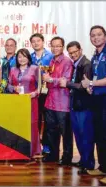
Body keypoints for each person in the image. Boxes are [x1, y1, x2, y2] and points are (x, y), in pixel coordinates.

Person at [81, 25, 106, 185]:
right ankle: (103, 167)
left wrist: (91, 82)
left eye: (99, 35)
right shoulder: (96, 55)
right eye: (93, 35)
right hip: (96, 99)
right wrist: (92, 87)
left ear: (105, 37)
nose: (96, 38)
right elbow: (98, 78)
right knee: (99, 135)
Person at [60, 41, 94, 174]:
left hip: (84, 106)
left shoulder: (86, 64)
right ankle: (83, 160)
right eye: (70, 53)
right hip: (75, 105)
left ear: (80, 50)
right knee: (79, 136)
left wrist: (67, 84)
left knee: (85, 136)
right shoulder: (76, 64)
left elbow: (84, 86)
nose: (73, 54)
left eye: (75, 52)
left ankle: (88, 164)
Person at [41, 36, 73, 165]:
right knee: (50, 131)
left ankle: (67, 157)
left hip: (62, 103)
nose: (55, 48)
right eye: (53, 46)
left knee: (66, 133)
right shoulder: (51, 62)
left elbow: (65, 80)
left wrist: (50, 80)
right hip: (50, 101)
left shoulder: (67, 62)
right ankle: (53, 155)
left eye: (58, 46)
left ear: (63, 47)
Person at [7, 48, 41, 157]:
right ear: (17, 58)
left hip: (31, 101)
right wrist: (13, 88)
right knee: (17, 124)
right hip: (16, 102)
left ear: (28, 57)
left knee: (31, 125)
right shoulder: (13, 69)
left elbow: (40, 87)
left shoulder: (35, 68)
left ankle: (32, 150)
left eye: (24, 56)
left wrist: (34, 94)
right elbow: (8, 85)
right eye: (19, 57)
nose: (22, 59)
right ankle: (18, 150)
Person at [29, 33, 54, 156]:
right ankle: (35, 145)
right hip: (34, 93)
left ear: (43, 42)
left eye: (38, 41)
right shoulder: (30, 57)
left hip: (48, 92)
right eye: (33, 41)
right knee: (35, 119)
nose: (36, 43)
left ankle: (47, 146)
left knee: (48, 120)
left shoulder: (51, 56)